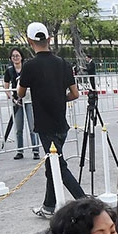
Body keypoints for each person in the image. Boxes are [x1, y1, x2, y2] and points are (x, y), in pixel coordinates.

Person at [17, 21, 87, 219]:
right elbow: (74, 94)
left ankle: (85, 204)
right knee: (52, 165)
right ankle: (48, 207)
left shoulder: (29, 66)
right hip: (60, 123)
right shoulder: (63, 64)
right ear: (49, 38)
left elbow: (20, 93)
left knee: (58, 166)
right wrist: (59, 97)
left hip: (44, 124)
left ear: (30, 41)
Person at [3, 48, 37, 160]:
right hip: (16, 101)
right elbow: (6, 86)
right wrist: (11, 98)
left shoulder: (27, 68)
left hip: (28, 99)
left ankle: (35, 149)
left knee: (33, 127)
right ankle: (19, 151)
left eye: (17, 55)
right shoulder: (9, 71)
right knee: (18, 128)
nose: (15, 58)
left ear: (21, 57)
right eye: (13, 56)